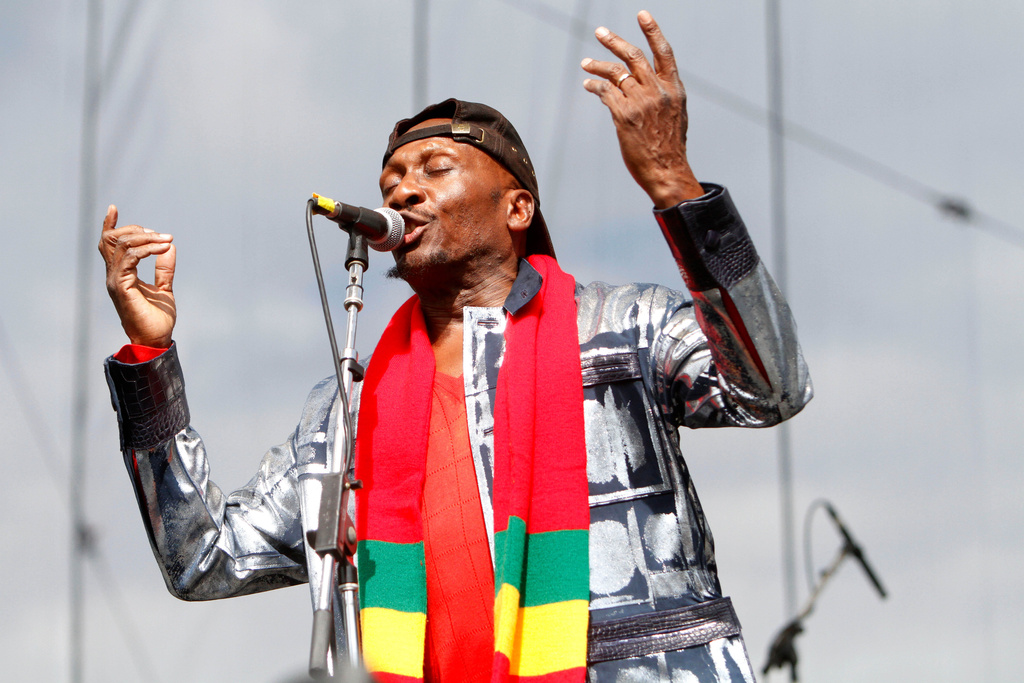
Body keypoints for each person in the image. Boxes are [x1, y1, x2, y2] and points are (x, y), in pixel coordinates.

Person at [99, 11, 811, 683]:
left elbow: (771, 387)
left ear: (517, 208)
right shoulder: (350, 409)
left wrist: (675, 187)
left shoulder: (622, 326)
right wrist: (149, 358)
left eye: (434, 169)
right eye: (391, 181)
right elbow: (202, 558)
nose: (403, 191)